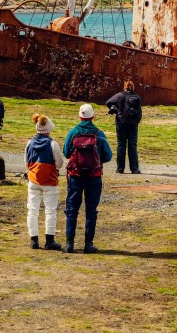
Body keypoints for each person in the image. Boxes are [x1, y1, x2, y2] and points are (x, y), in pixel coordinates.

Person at [62, 104, 112, 254]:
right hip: (94, 177)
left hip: (75, 176)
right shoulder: (99, 134)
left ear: (80, 117)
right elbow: (108, 156)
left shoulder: (73, 133)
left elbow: (66, 152)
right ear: (92, 117)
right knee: (91, 210)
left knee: (72, 209)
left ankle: (69, 243)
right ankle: (88, 244)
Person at [26, 113, 64, 251]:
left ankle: (34, 240)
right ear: (48, 130)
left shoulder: (29, 143)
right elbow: (59, 164)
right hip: (50, 181)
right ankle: (50, 240)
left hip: (33, 180)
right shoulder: (53, 144)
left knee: (32, 210)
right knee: (50, 211)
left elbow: (27, 162)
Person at [106, 80, 143, 174]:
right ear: (133, 87)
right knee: (132, 145)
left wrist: (115, 109)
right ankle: (134, 168)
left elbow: (108, 102)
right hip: (133, 124)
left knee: (121, 145)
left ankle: (120, 168)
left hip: (121, 122)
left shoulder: (120, 95)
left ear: (124, 87)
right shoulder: (137, 97)